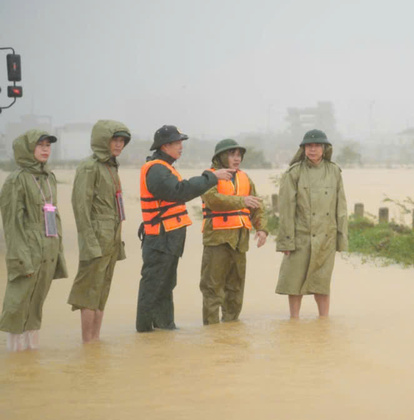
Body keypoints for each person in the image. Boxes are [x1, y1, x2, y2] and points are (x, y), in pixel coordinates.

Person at [136, 125, 234, 332]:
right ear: (165, 146)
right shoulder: (156, 169)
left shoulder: (164, 167)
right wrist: (211, 178)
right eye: (177, 143)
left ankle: (164, 328)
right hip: (160, 238)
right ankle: (145, 333)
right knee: (153, 287)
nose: (181, 147)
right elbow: (179, 191)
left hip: (168, 237)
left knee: (165, 286)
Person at [0, 130, 68, 351]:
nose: (46, 148)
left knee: (37, 303)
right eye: (40, 145)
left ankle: (31, 356)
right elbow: (12, 225)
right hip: (27, 250)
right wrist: (21, 259)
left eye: (48, 145)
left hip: (48, 247)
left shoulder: (49, 178)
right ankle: (14, 356)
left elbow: (54, 216)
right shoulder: (16, 181)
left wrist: (58, 252)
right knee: (18, 303)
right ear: (27, 149)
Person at [67, 120, 131, 343]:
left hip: (111, 239)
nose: (119, 145)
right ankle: (87, 342)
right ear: (103, 140)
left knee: (102, 293)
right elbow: (80, 206)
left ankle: (95, 342)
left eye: (122, 141)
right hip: (96, 239)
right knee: (88, 294)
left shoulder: (111, 167)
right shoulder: (89, 167)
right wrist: (90, 243)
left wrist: (117, 242)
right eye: (115, 139)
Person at [276, 129, 348, 319]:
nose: (313, 149)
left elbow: (341, 208)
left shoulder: (334, 171)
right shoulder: (294, 172)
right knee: (294, 282)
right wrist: (286, 241)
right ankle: (294, 321)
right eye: (309, 146)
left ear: (325, 148)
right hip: (300, 236)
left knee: (322, 283)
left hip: (326, 236)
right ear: (303, 148)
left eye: (317, 146)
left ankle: (323, 322)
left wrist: (341, 239)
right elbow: (286, 209)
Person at [199, 139, 269, 325]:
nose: (236, 159)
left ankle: (230, 331)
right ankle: (212, 332)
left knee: (235, 289)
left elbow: (256, 206)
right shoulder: (209, 176)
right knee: (213, 288)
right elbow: (213, 200)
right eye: (232, 154)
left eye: (239, 155)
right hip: (217, 241)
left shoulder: (245, 178)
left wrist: (262, 229)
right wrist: (242, 202)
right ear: (221, 156)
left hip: (240, 241)